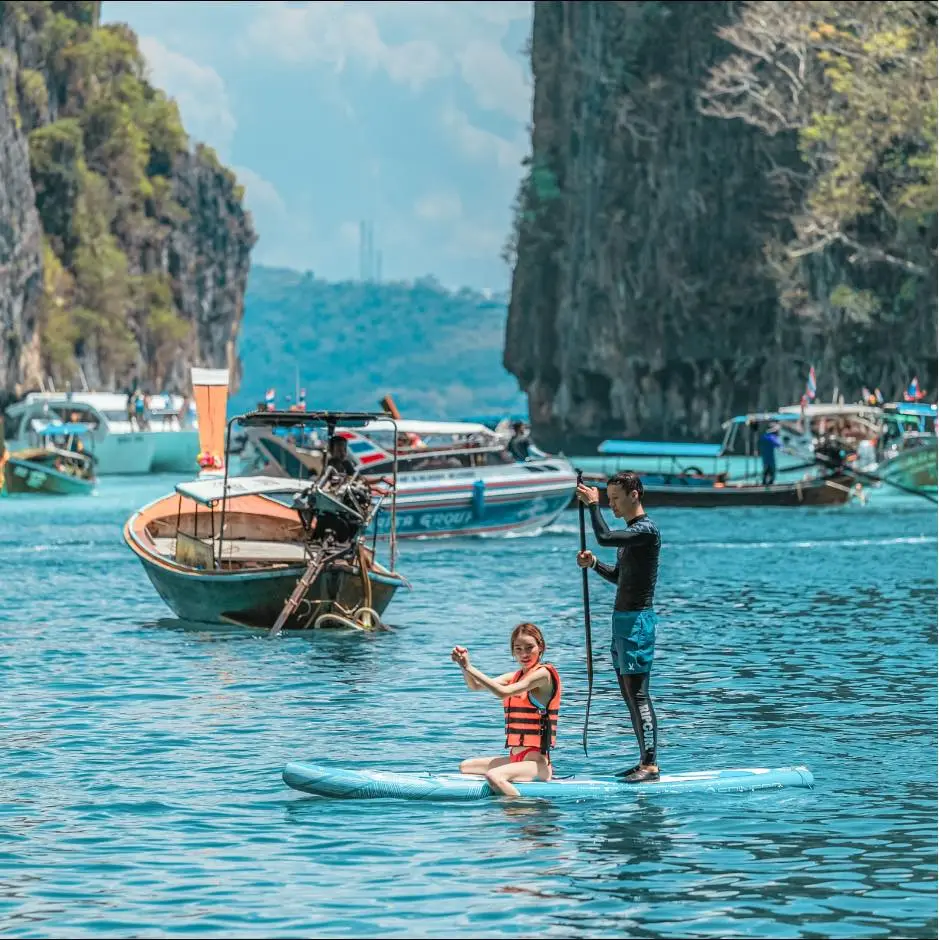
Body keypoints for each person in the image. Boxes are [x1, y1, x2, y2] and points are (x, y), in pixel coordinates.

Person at [575, 471, 661, 783]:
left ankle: (651, 765)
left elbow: (604, 537)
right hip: (622, 622)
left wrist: (592, 506)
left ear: (634, 494)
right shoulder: (631, 534)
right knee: (628, 693)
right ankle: (643, 760)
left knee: (638, 694)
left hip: (637, 623)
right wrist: (595, 564)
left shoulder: (646, 531)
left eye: (615, 499)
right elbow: (620, 578)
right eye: (608, 499)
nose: (611, 505)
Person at [452, 622, 561, 798]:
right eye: (518, 649)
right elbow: (475, 686)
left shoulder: (544, 675)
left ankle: (522, 809)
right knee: (465, 767)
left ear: (540, 647)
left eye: (529, 647)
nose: (524, 654)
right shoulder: (515, 676)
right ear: (512, 651)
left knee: (493, 776)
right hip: (516, 757)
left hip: (537, 763)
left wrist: (469, 668)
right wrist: (464, 664)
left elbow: (503, 693)